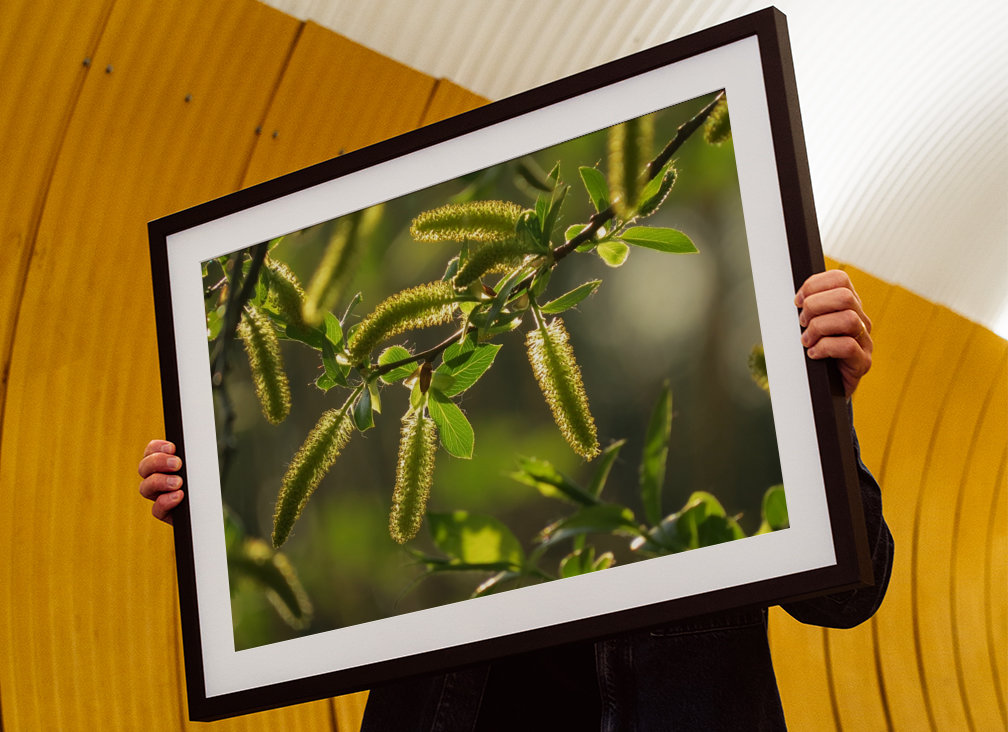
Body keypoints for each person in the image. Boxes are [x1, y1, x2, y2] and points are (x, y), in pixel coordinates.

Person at [138, 270, 892, 730]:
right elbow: (327, 555)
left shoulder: (713, 451)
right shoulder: (426, 497)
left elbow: (849, 594)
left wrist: (823, 405)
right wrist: (215, 505)